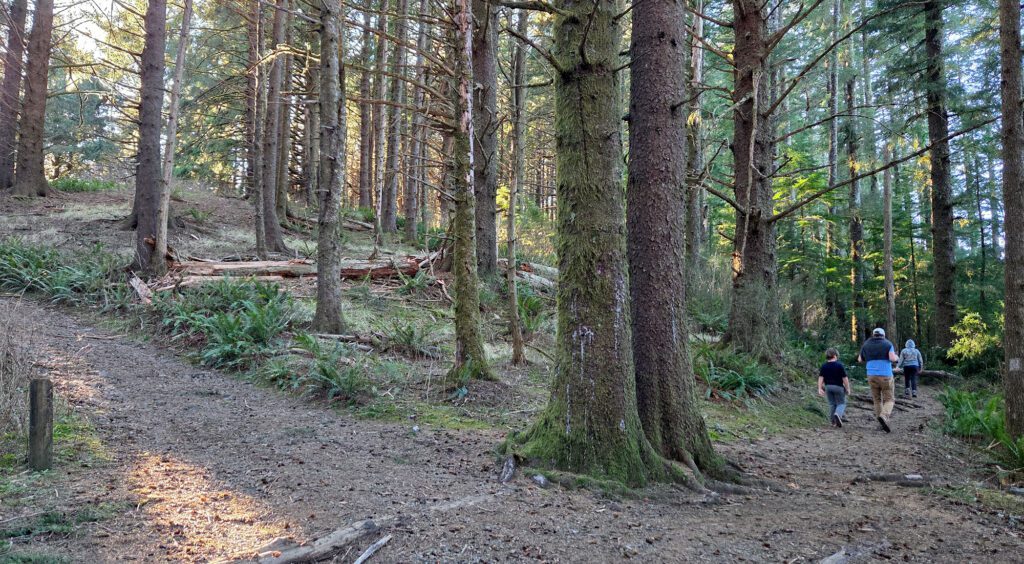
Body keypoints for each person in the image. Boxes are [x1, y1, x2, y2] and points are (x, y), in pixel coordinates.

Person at [858, 328, 900, 433]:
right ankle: (884, 416)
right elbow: (892, 358)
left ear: (874, 334)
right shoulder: (887, 344)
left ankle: (881, 423)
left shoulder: (866, 344)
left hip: (871, 375)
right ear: (883, 335)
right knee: (889, 399)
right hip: (885, 375)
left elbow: (860, 359)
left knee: (877, 400)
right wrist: (897, 358)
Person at [818, 348, 851, 428]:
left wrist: (819, 388)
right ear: (835, 356)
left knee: (832, 404)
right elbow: (844, 378)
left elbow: (821, 377)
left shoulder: (824, 366)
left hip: (828, 387)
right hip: (838, 387)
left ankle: (833, 422)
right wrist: (847, 388)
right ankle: (838, 414)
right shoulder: (839, 365)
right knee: (841, 403)